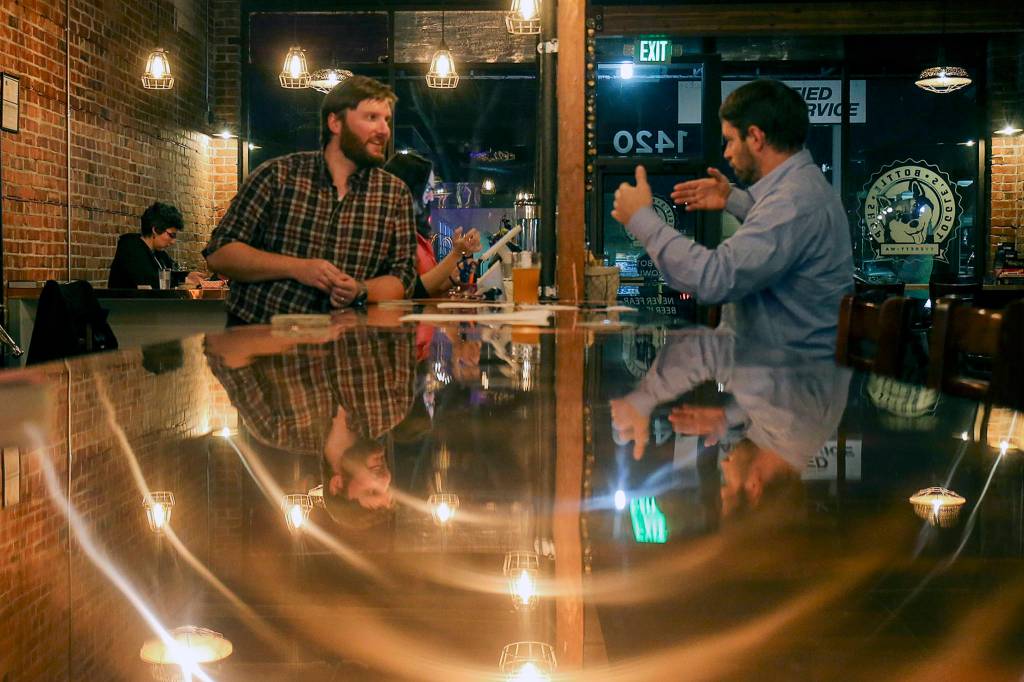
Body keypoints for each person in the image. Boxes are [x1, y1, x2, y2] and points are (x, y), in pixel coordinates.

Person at [611, 79, 853, 352]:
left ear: (756, 138)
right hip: (777, 371)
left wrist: (641, 219)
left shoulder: (793, 202)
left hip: (786, 378)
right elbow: (779, 238)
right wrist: (731, 199)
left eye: (729, 140)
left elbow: (712, 278)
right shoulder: (804, 189)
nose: (725, 153)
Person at [203, 76, 417, 325]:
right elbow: (220, 254)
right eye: (372, 117)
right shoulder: (278, 175)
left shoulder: (394, 193)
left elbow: (404, 278)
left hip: (346, 351)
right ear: (335, 122)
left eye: (387, 120)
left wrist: (360, 289)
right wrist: (297, 268)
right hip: (264, 341)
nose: (384, 130)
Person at [382, 152, 481, 298]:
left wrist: (455, 275)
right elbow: (413, 291)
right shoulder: (389, 232)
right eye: (427, 189)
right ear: (407, 187)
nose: (431, 196)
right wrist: (456, 254)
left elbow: (430, 286)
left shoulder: (418, 233)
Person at [108, 202, 205, 289]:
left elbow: (173, 273)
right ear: (155, 230)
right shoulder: (131, 249)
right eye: (171, 235)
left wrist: (188, 275)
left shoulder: (159, 253)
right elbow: (150, 281)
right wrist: (184, 281)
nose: (173, 241)